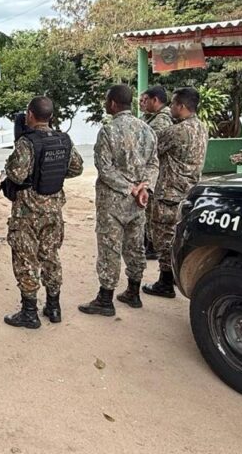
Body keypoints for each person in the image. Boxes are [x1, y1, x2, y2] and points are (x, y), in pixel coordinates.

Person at [1, 96, 84, 329]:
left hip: (27, 213)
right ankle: (54, 307)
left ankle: (29, 312)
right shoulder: (64, 139)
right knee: (51, 256)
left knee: (26, 259)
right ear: (51, 116)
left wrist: (14, 168)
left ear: (30, 114)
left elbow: (17, 174)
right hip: (53, 211)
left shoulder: (26, 142)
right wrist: (51, 174)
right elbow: (76, 168)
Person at [78, 84, 159, 317]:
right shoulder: (147, 130)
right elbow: (154, 164)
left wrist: (130, 188)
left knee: (109, 248)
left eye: (106, 100)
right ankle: (133, 292)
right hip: (138, 203)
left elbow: (104, 169)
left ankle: (105, 299)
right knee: (135, 246)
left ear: (113, 103)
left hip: (113, 202)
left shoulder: (108, 131)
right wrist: (145, 187)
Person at [143, 87, 208, 298]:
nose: (170, 107)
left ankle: (165, 282)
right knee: (179, 236)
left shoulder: (177, 131)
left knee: (164, 238)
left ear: (181, 106)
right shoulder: (201, 127)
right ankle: (171, 277)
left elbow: (150, 148)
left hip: (170, 193)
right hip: (190, 192)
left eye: (173, 103)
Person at [139, 85, 172, 260]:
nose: (142, 104)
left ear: (155, 100)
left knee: (152, 211)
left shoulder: (162, 120)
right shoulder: (152, 118)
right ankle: (149, 242)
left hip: (158, 173)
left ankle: (152, 246)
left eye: (145, 100)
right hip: (154, 172)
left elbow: (151, 148)